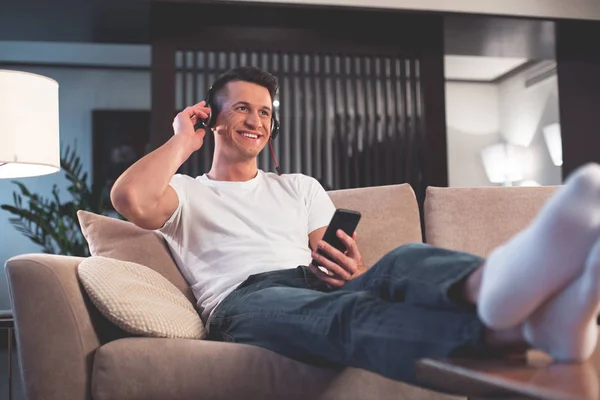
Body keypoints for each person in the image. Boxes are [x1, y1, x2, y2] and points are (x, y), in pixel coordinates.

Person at [110, 66, 600, 387]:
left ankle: (511, 294)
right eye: (241, 107)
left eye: (264, 112)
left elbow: (343, 263)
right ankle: (527, 330)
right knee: (350, 317)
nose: (256, 120)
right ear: (212, 118)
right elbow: (129, 199)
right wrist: (180, 139)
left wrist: (347, 269)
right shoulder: (188, 193)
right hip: (246, 300)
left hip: (310, 284)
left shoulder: (299, 186)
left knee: (402, 262)